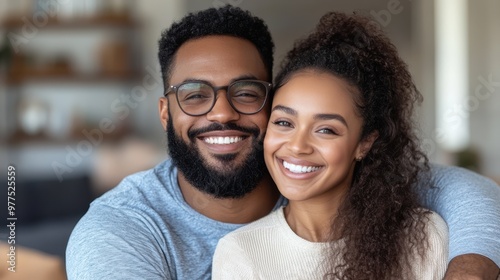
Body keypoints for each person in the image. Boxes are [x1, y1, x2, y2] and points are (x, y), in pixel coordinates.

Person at [65, 5, 500, 280]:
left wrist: (472, 269)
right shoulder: (119, 232)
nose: (221, 113)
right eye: (195, 95)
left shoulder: (336, 181)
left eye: (246, 92)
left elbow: (467, 189)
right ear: (165, 112)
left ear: (272, 104)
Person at [212, 11, 448, 279]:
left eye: (326, 129)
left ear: (364, 143)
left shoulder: (425, 237)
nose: (298, 146)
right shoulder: (241, 252)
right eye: (284, 123)